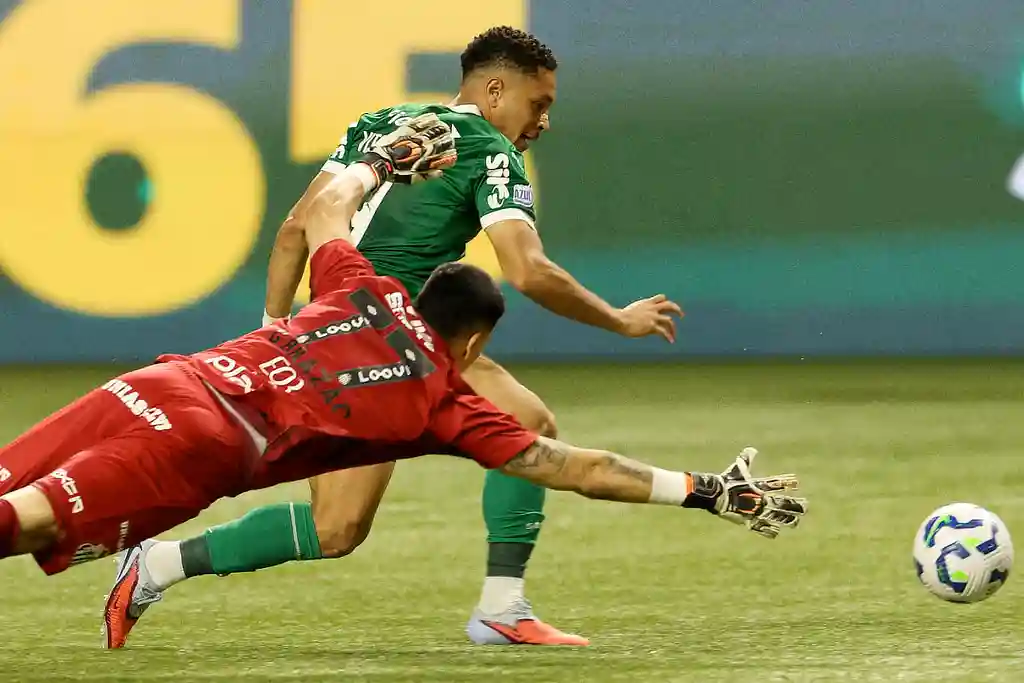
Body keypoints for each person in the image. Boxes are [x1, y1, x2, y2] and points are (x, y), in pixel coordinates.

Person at [141, 25, 684, 648]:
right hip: (384, 343)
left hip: (334, 334)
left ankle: (159, 564)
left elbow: (296, 229)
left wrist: (272, 331)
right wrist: (619, 319)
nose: (543, 122)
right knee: (370, 509)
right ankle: (502, 608)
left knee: (352, 518)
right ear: (497, 88)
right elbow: (527, 270)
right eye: (539, 105)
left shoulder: (380, 125)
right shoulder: (488, 150)